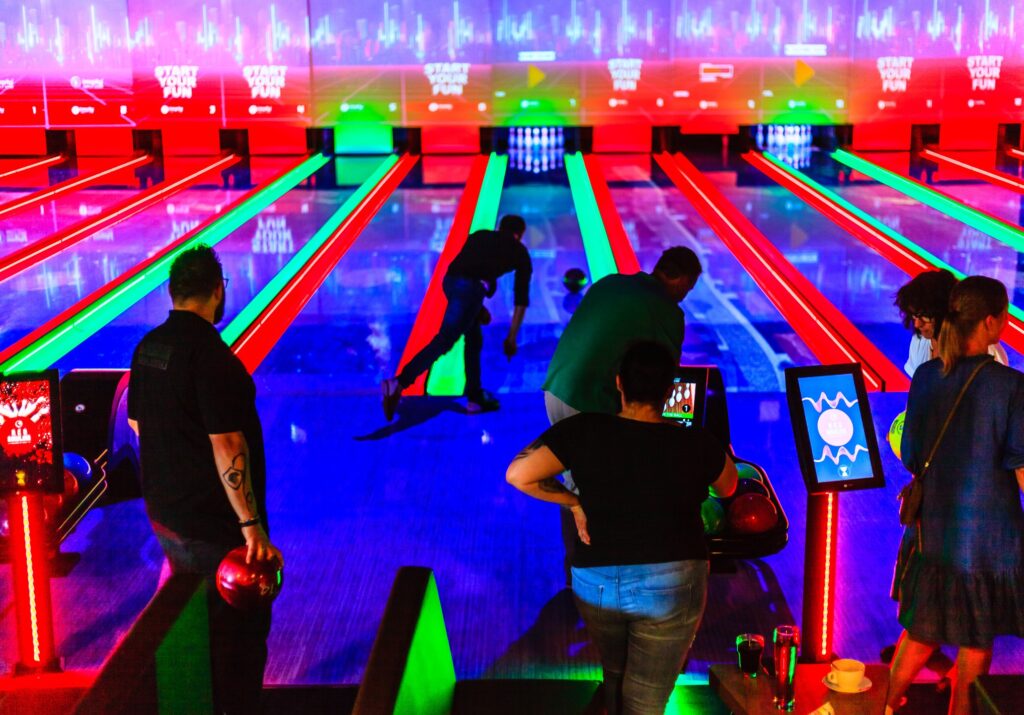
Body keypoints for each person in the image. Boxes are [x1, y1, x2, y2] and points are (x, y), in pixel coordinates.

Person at [507, 342, 737, 715]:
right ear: (670, 391)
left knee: (614, 673)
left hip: (596, 580)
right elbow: (727, 487)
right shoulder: (695, 441)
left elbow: (519, 474)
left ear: (618, 383)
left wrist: (574, 501)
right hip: (672, 582)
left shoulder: (584, 429)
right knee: (644, 701)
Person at [128, 245, 283, 714]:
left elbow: (138, 426)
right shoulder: (212, 356)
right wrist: (251, 527)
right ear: (217, 292)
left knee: (190, 628)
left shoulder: (148, 347)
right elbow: (228, 445)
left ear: (173, 293)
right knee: (237, 642)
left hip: (167, 516)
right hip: (217, 526)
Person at [887, 276, 1024, 715]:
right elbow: (1020, 466)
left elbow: (910, 454)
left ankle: (884, 707)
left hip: (936, 528)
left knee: (922, 630)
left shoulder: (926, 376)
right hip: (988, 536)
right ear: (990, 322)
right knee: (976, 637)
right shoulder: (1010, 385)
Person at [542, 247, 702, 572]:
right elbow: (662, 378)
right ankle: (589, 568)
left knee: (577, 482)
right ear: (682, 279)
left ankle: (579, 566)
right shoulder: (666, 310)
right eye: (689, 288)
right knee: (592, 490)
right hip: (588, 400)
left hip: (556, 389)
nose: (686, 296)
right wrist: (670, 432)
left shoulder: (611, 283)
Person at [381, 214, 532, 419]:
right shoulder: (520, 252)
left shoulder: (479, 236)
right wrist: (512, 337)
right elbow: (520, 299)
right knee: (445, 341)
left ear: (500, 227)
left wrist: (477, 308)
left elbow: (466, 269)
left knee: (473, 338)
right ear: (520, 234)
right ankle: (399, 383)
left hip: (451, 283)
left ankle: (474, 398)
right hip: (468, 289)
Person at [895, 269, 1007, 377]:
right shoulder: (919, 341)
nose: (917, 324)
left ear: (943, 310)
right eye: (914, 316)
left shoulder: (988, 350)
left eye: (924, 316)